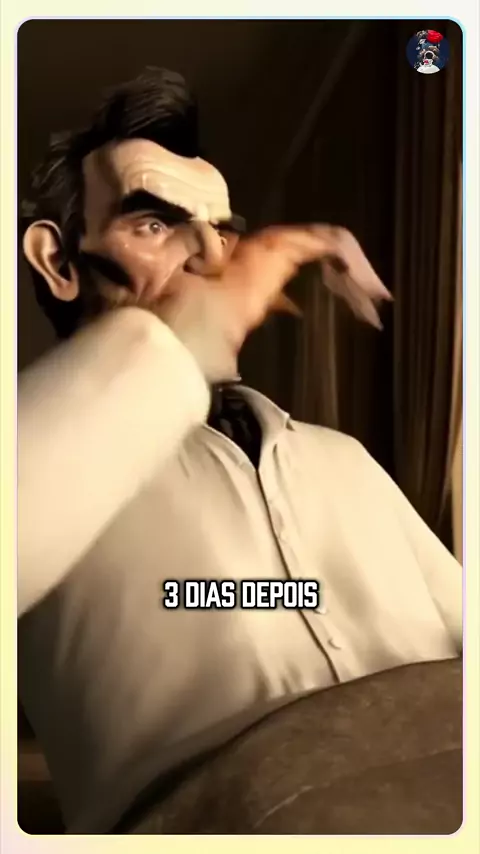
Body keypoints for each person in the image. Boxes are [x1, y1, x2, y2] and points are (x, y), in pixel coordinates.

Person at [18, 68, 462, 834]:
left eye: (221, 229)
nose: (213, 258)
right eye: (154, 224)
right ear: (58, 262)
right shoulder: (37, 455)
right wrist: (172, 348)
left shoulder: (345, 459)